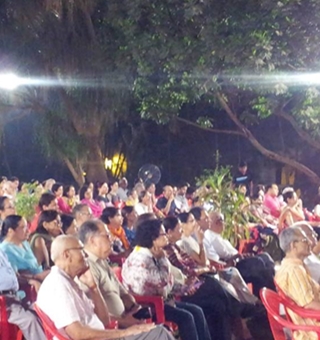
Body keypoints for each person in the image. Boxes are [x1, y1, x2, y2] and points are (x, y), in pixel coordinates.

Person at [36, 234, 173, 340]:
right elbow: (77, 333)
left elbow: (103, 321)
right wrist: (124, 333)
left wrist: (94, 288)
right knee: (159, 334)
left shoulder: (68, 281)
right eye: (81, 250)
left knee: (159, 331)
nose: (85, 255)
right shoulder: (58, 285)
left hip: (102, 336)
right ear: (67, 255)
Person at [122, 219, 212, 340]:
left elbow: (167, 283)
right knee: (186, 317)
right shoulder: (141, 259)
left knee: (197, 311)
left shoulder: (152, 254)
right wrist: (164, 259)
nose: (166, 237)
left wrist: (184, 289)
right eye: (163, 234)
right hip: (148, 306)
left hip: (162, 300)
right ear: (153, 238)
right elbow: (163, 281)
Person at [79, 220, 158, 328]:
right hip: (112, 328)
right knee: (161, 333)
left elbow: (122, 291)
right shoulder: (86, 268)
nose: (111, 239)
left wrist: (133, 307)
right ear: (92, 241)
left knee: (161, 328)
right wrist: (125, 321)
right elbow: (92, 313)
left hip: (125, 318)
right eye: (107, 236)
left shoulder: (102, 260)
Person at [203, 211, 275, 297]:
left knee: (265, 257)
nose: (224, 223)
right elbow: (225, 255)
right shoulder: (211, 237)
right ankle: (267, 295)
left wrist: (241, 255)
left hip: (236, 258)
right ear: (217, 222)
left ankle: (269, 292)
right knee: (258, 263)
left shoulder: (218, 235)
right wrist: (239, 256)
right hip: (232, 264)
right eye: (222, 221)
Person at [275, 227, 320, 340]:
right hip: (311, 328)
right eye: (305, 240)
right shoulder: (294, 270)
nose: (310, 242)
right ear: (293, 245)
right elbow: (309, 304)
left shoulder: (297, 266)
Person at [0, 248, 46, 340]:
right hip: (3, 304)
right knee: (30, 320)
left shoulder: (1, 252)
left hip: (14, 297)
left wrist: (30, 281)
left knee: (42, 311)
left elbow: (13, 277)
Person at [0, 215, 49, 283]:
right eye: (23, 227)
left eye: (27, 227)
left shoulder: (24, 243)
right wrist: (35, 277)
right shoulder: (5, 250)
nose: (28, 231)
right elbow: (14, 276)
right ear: (10, 231)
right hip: (26, 287)